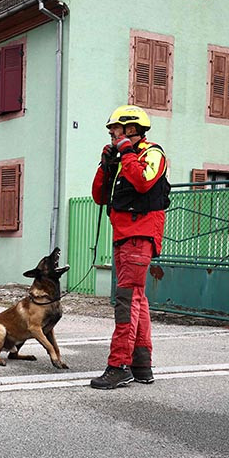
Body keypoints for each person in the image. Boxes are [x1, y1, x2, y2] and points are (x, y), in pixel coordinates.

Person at [90, 105, 169, 390]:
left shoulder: (152, 153)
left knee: (127, 300)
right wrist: (105, 166)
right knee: (137, 299)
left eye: (116, 130)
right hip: (124, 235)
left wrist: (126, 152)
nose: (112, 135)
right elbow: (99, 196)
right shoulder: (124, 158)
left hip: (139, 235)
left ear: (131, 129)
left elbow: (144, 182)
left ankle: (119, 366)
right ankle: (141, 365)